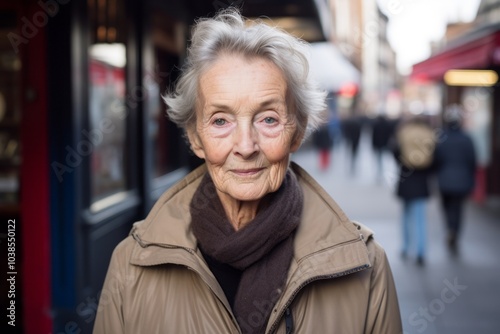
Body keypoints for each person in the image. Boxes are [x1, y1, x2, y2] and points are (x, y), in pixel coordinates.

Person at [93, 8, 402, 334]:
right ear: (196, 138)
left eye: (268, 119)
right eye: (221, 121)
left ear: (296, 133)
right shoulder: (132, 263)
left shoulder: (365, 265)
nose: (245, 145)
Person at [433, 105, 476, 254]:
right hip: (462, 180)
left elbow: (436, 159)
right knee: (458, 208)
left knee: (446, 207)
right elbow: (472, 161)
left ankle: (450, 228)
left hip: (445, 180)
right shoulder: (467, 138)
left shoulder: (441, 137)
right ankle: (455, 231)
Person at [392, 115, 435, 265]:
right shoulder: (430, 133)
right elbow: (435, 157)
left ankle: (405, 246)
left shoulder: (403, 132)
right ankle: (421, 251)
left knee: (405, 214)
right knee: (420, 217)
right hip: (422, 180)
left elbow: (395, 152)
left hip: (405, 177)